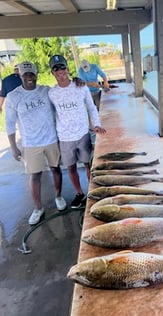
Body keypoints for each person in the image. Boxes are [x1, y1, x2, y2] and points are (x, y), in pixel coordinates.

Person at [5, 61, 67, 225]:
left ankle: (58, 196)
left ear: (36, 74)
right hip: (30, 143)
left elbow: (62, 96)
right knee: (35, 176)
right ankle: (38, 208)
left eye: (31, 73)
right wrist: (13, 147)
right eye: (25, 74)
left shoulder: (46, 91)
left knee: (56, 169)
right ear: (20, 76)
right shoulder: (13, 97)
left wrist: (76, 82)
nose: (29, 77)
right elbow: (9, 123)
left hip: (51, 139)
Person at [48, 55, 106, 208]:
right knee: (71, 168)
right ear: (52, 73)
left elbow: (92, 108)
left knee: (88, 165)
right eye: (56, 69)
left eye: (62, 67)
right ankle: (80, 194)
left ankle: (94, 193)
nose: (60, 71)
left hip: (83, 134)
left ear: (67, 69)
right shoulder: (51, 93)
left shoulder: (81, 86)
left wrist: (96, 125)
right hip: (65, 137)